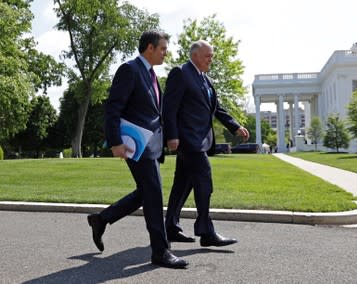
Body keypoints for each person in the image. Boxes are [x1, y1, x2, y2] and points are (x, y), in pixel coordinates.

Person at [87, 30, 187, 269]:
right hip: (135, 145)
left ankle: (101, 219)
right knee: (154, 193)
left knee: (146, 192)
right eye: (163, 48)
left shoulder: (151, 75)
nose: (166, 53)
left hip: (151, 146)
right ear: (149, 48)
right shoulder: (129, 70)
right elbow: (113, 108)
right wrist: (115, 142)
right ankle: (161, 251)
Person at [163, 40, 250, 247]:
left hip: (201, 140)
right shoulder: (180, 73)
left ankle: (170, 228)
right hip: (188, 140)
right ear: (194, 55)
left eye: (211, 55)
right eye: (207, 55)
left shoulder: (205, 79)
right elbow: (169, 107)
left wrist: (235, 126)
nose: (211, 59)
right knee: (204, 180)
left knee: (182, 185)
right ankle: (206, 231)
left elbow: (216, 108)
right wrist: (171, 136)